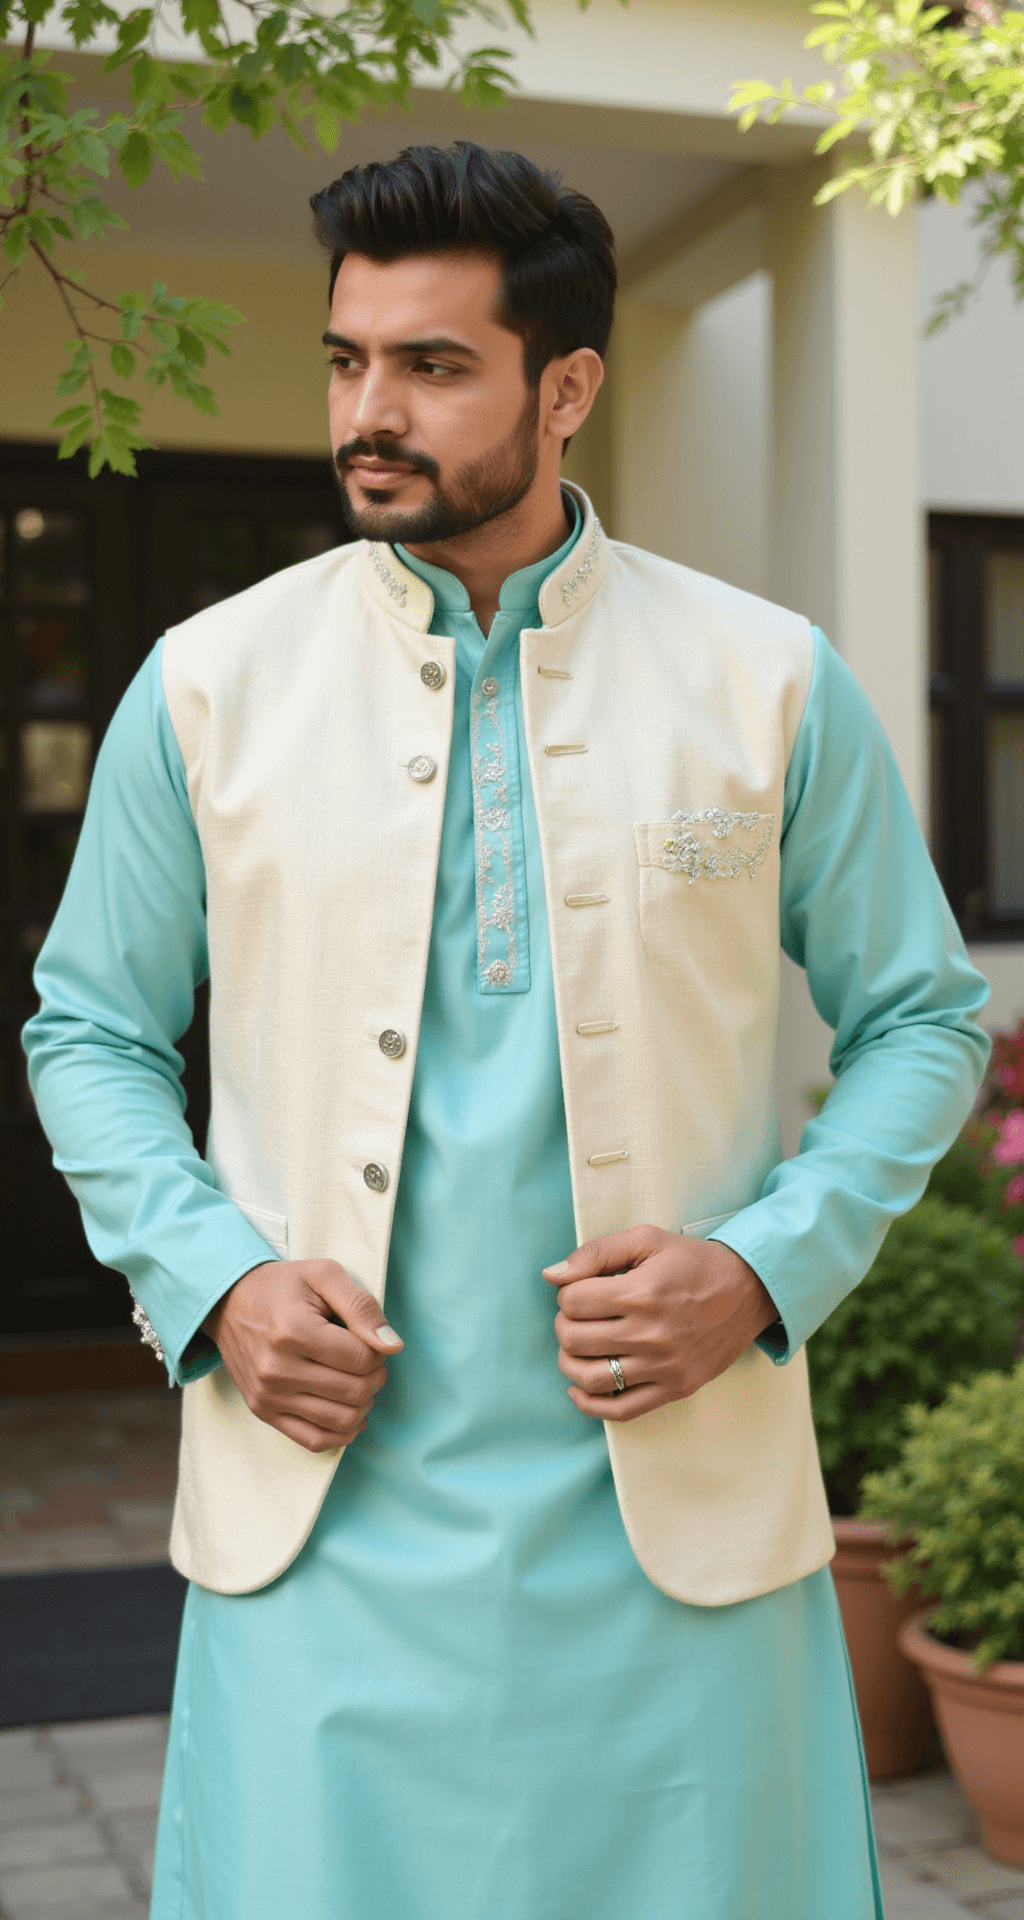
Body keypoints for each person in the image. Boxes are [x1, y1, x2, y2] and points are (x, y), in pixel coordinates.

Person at [24, 141, 989, 1920]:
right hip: (321, 1511)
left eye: (431, 366)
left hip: (675, 1520)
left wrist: (766, 1266)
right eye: (346, 361)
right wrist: (214, 1279)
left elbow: (924, 1014)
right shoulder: (209, 682)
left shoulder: (761, 677)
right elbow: (85, 1025)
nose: (367, 413)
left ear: (569, 388)